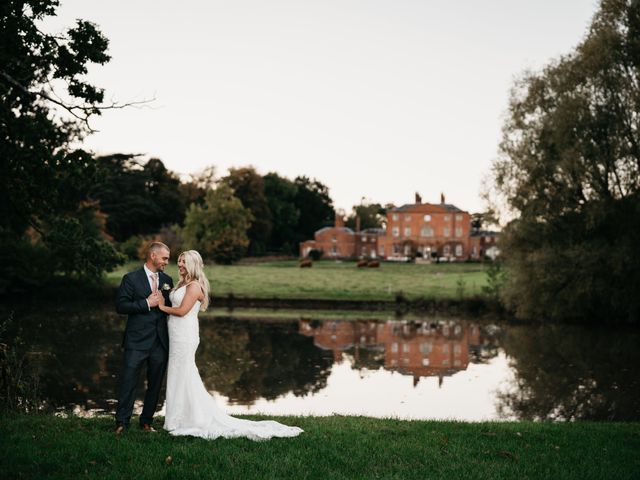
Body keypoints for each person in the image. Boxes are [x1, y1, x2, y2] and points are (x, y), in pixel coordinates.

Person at [158, 250, 303, 440]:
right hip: (176, 334)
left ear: (193, 264)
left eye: (184, 261)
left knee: (183, 371)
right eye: (179, 261)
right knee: (178, 373)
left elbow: (182, 310)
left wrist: (161, 306)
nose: (180, 264)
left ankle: (188, 418)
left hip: (185, 335)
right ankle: (176, 417)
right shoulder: (182, 283)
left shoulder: (194, 286)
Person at [114, 242, 174, 434]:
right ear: (153, 256)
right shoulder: (131, 279)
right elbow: (121, 306)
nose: (167, 261)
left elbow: (169, 307)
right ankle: (122, 423)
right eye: (164, 258)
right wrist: (146, 303)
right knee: (128, 382)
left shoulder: (167, 279)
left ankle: (146, 422)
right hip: (137, 341)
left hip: (159, 342)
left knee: (155, 384)